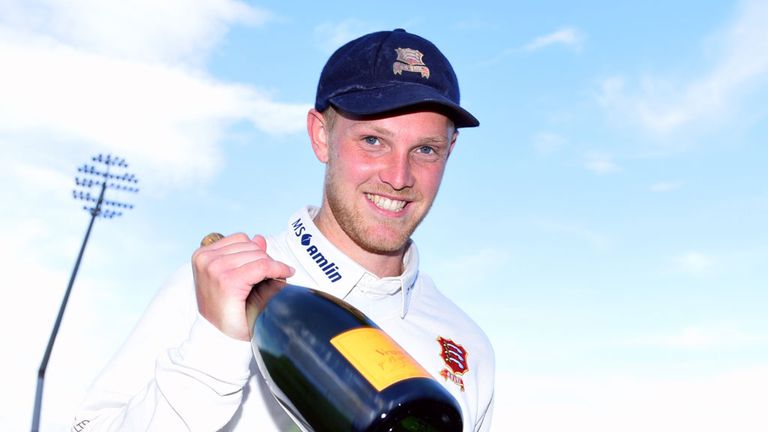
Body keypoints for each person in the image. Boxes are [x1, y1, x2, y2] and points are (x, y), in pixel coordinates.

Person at [73, 28, 495, 431]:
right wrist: (214, 349)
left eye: (425, 149)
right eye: (372, 141)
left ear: (449, 151)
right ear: (321, 137)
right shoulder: (214, 287)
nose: (398, 176)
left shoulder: (467, 346)